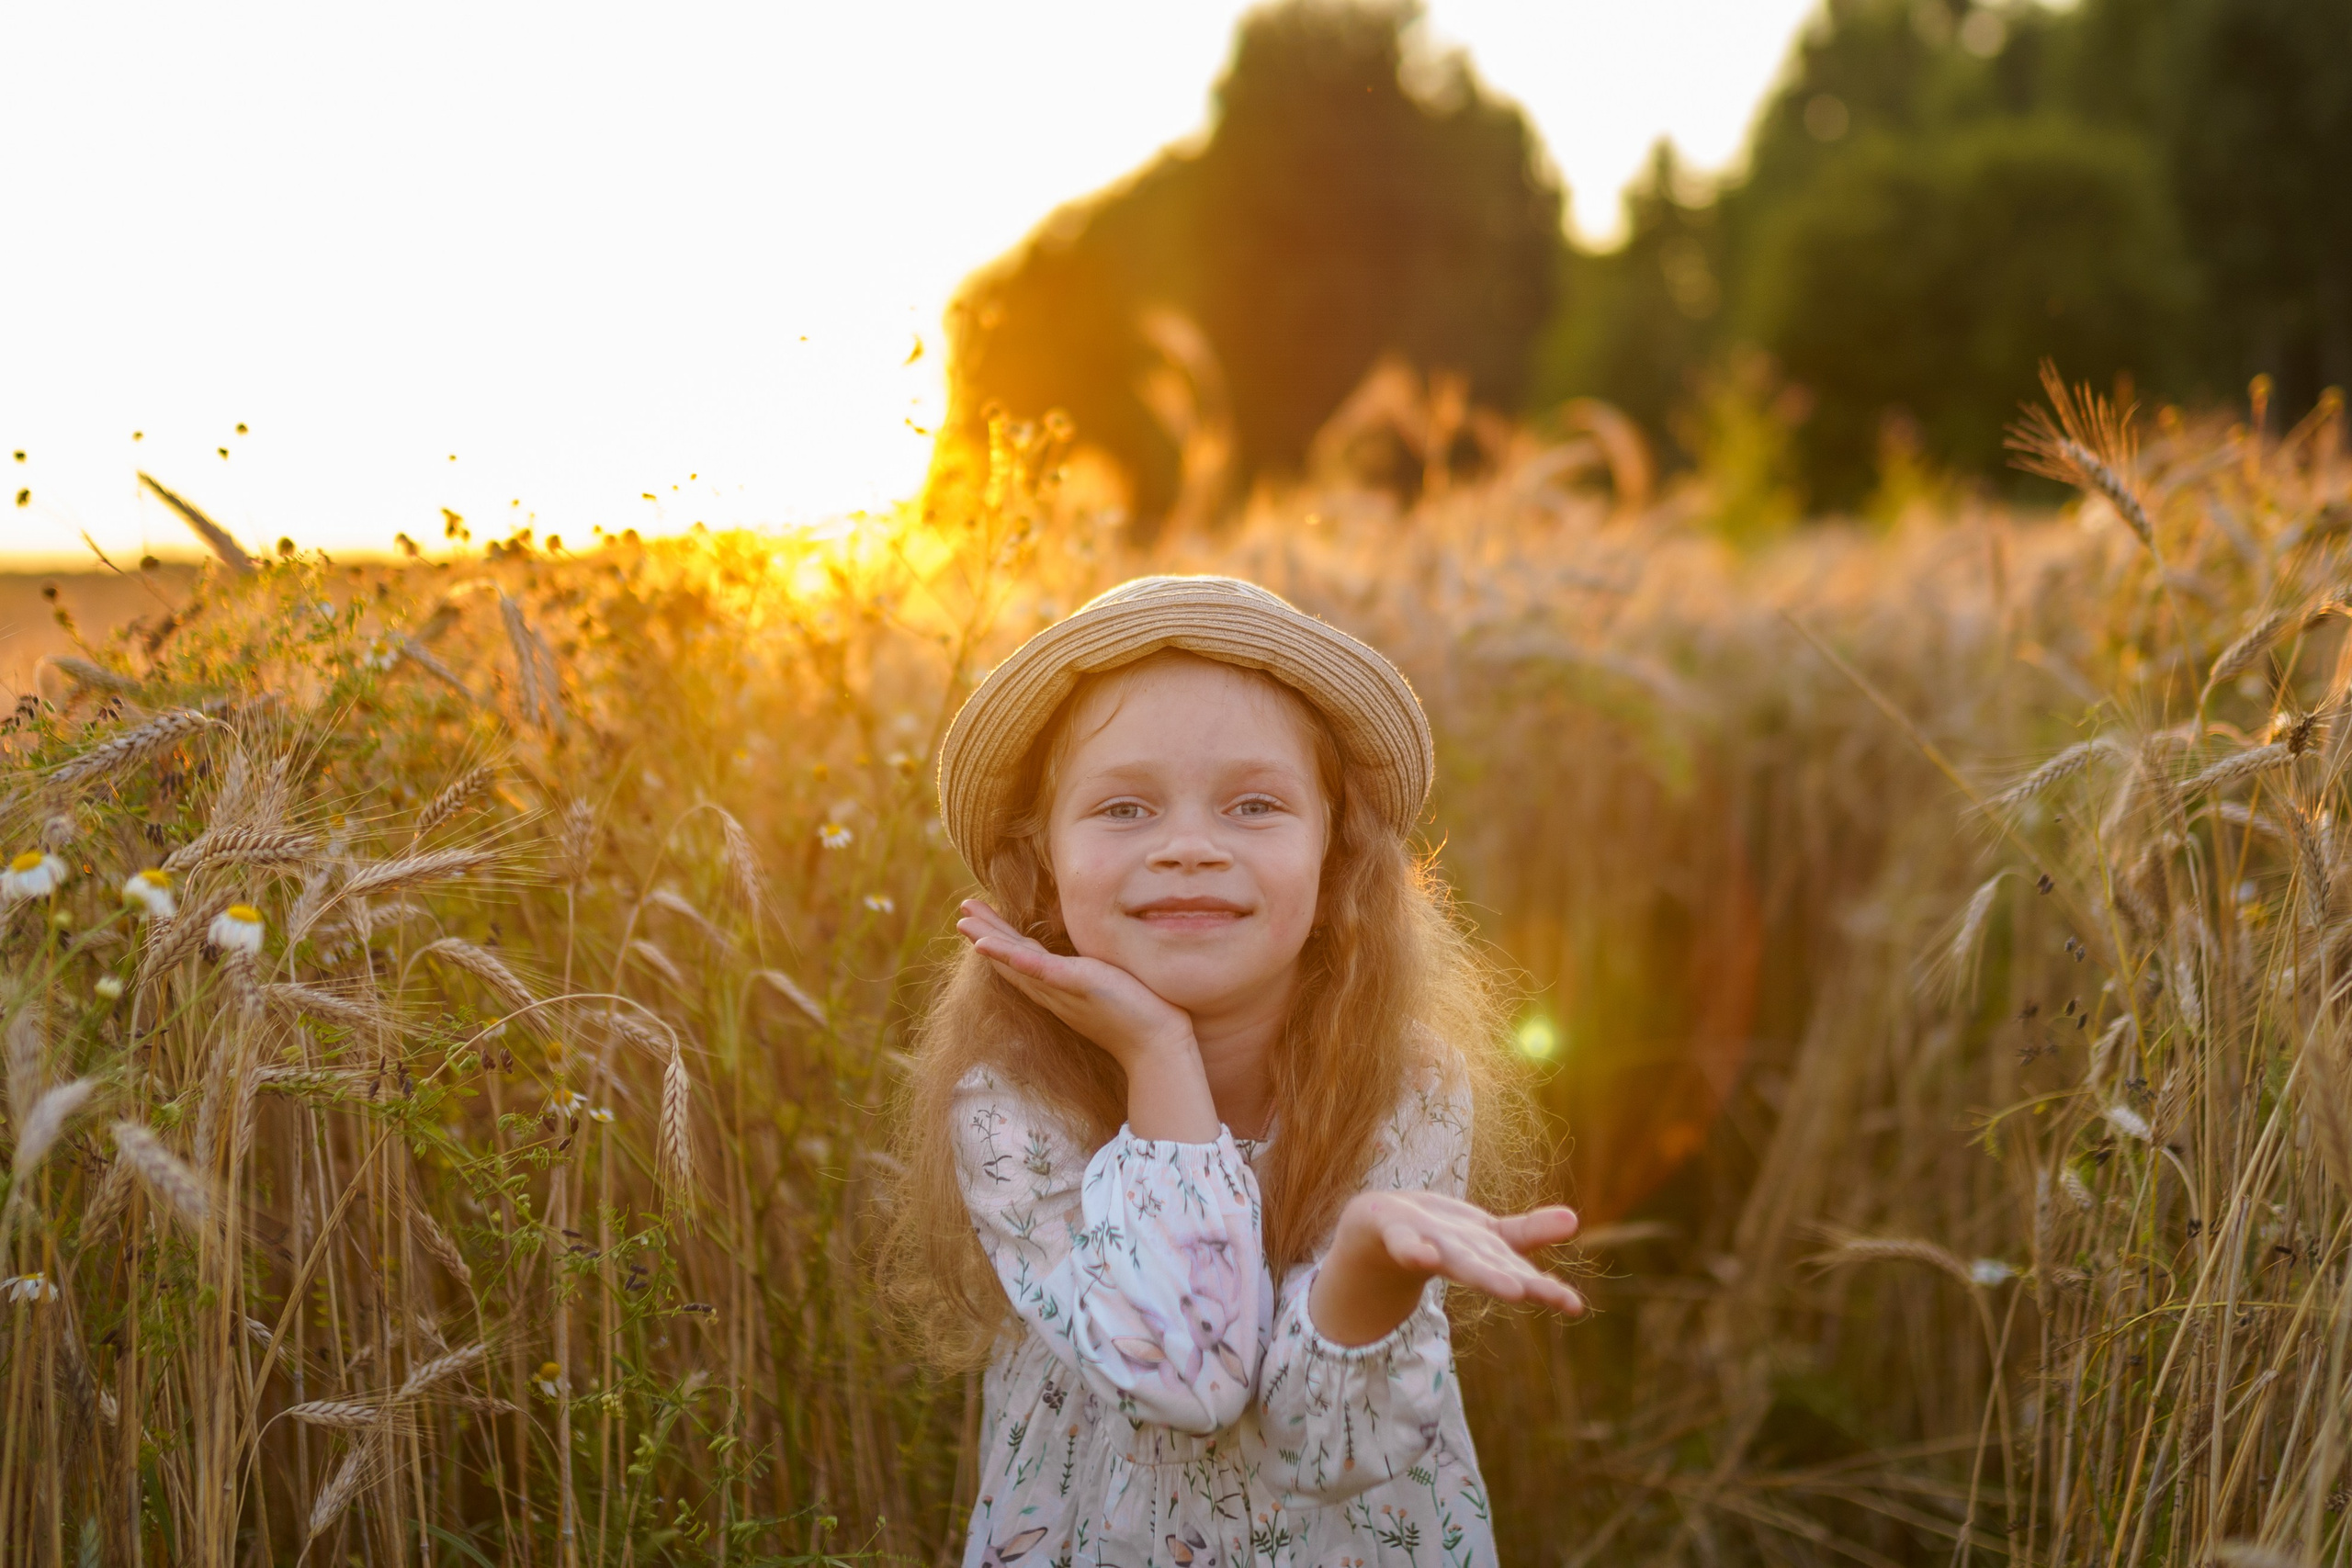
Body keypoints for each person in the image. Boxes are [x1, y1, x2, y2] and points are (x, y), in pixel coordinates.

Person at [892, 575, 1583, 1565]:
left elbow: (1329, 1442)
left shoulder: (1402, 1086)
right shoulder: (1014, 1099)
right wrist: (1156, 1054)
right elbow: (1187, 1380)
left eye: (1253, 805)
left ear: (1335, 859)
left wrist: (1365, 1269)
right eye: (1124, 807)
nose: (1186, 848)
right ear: (1044, 860)